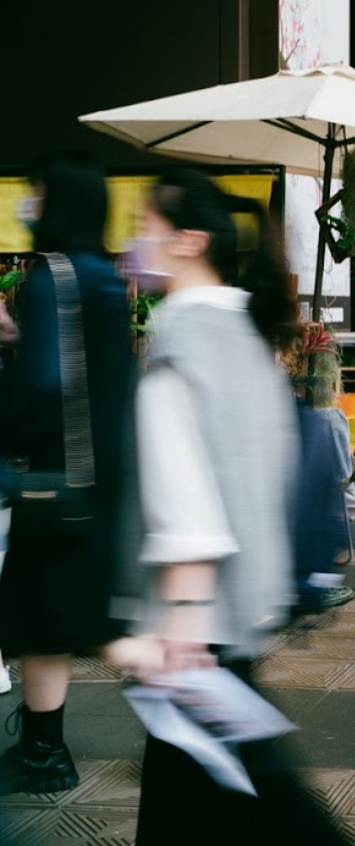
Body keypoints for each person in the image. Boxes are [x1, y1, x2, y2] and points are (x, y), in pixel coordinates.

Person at [106, 168, 348, 842]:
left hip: (194, 630)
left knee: (256, 807)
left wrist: (179, 628)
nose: (132, 242)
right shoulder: (248, 336)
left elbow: (185, 502)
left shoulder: (180, 344)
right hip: (243, 608)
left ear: (188, 241)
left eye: (145, 227)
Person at [0, 154, 134, 796]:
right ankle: (41, 749)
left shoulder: (47, 275)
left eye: (35, 192)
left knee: (36, 620)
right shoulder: (105, 277)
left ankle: (45, 754)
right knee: (53, 618)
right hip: (96, 482)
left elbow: (44, 385)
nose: (28, 204)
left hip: (47, 481)